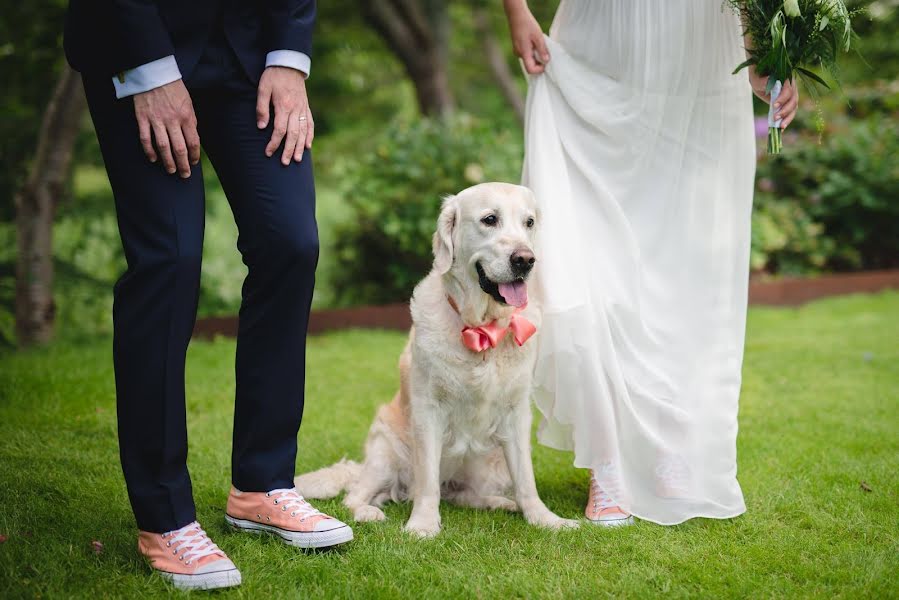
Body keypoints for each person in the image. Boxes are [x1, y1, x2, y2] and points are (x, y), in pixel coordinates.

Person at [64, 0, 352, 590]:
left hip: (253, 50)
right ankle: (164, 516)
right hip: (142, 45)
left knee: (289, 244)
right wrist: (149, 69)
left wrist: (290, 58)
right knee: (169, 261)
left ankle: (263, 485)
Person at [501, 0, 799, 526]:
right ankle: (606, 460)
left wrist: (765, 52)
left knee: (684, 266)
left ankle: (671, 445)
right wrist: (516, 10)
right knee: (587, 262)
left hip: (700, 62)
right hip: (596, 49)